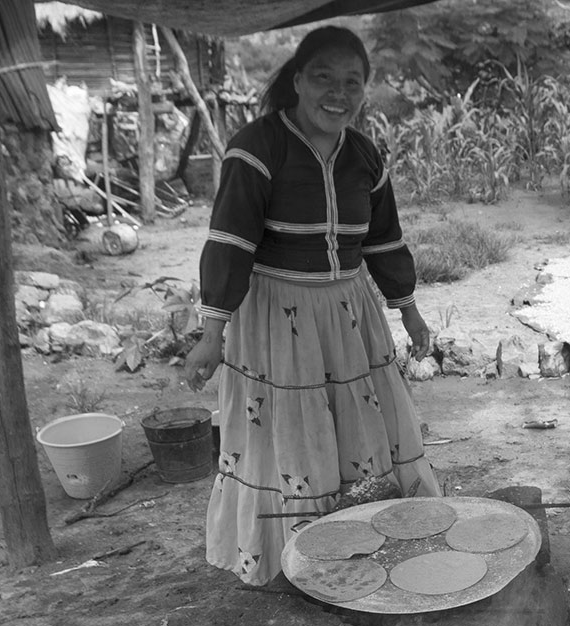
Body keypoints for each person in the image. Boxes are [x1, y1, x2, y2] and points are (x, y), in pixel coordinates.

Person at [184, 25, 439, 586]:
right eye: (323, 77)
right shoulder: (257, 148)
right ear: (297, 79)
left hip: (349, 313)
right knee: (290, 432)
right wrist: (211, 333)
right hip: (277, 317)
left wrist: (409, 309)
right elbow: (230, 241)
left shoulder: (366, 157)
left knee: (357, 427)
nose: (338, 93)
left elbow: (384, 240)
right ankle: (293, 556)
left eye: (352, 82)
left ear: (364, 89)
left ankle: (362, 544)